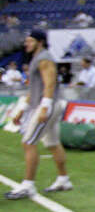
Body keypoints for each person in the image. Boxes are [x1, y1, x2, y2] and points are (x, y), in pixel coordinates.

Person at [4, 30, 72, 199]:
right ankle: (64, 179)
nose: (26, 43)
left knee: (28, 142)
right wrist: (21, 110)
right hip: (47, 104)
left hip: (47, 105)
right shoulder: (38, 58)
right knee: (52, 143)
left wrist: (45, 107)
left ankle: (28, 185)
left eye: (30, 41)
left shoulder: (44, 58)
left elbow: (50, 83)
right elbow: (34, 89)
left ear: (39, 42)